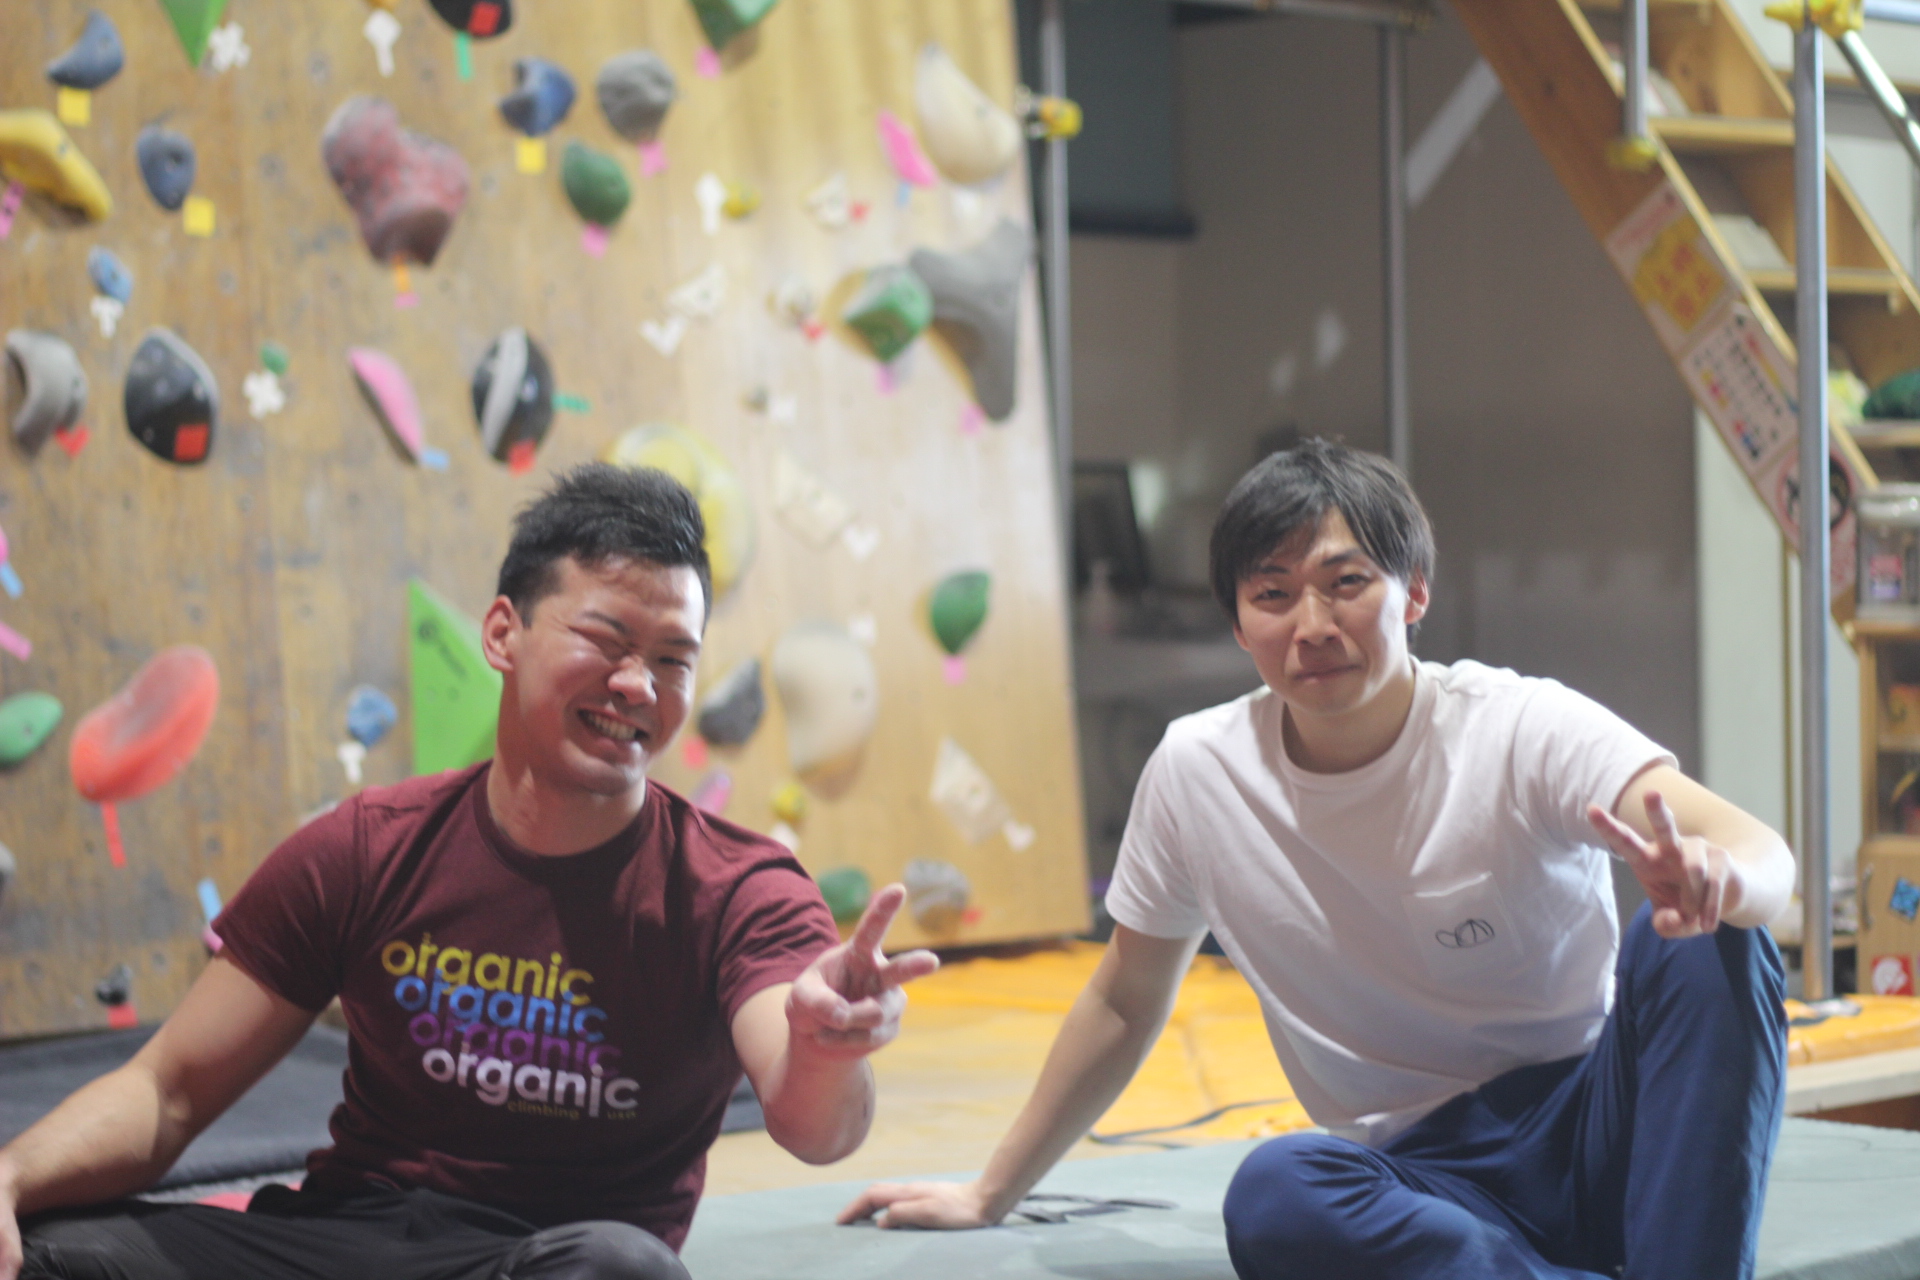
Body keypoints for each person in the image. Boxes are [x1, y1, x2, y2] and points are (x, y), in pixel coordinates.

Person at [842, 440, 1794, 1280]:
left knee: (1716, 937)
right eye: (1273, 594)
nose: (1312, 624)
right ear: (1237, 623)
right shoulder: (1198, 771)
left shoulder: (1519, 726)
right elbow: (1125, 999)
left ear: (1414, 592)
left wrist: (1728, 879)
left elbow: (1762, 852)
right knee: (1277, 1192)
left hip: (1598, 1126)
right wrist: (992, 1192)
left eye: (1347, 583)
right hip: (1417, 1177)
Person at [2, 463, 937, 1280]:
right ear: (502, 635)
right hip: (341, 1245)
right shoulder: (367, 848)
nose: (638, 685)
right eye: (606, 640)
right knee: (51, 1249)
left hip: (547, 1262)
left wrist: (827, 1048)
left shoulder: (738, 890)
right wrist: (5, 1180)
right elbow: (166, 1092)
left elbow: (819, 1130)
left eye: (671, 660)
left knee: (620, 1269)